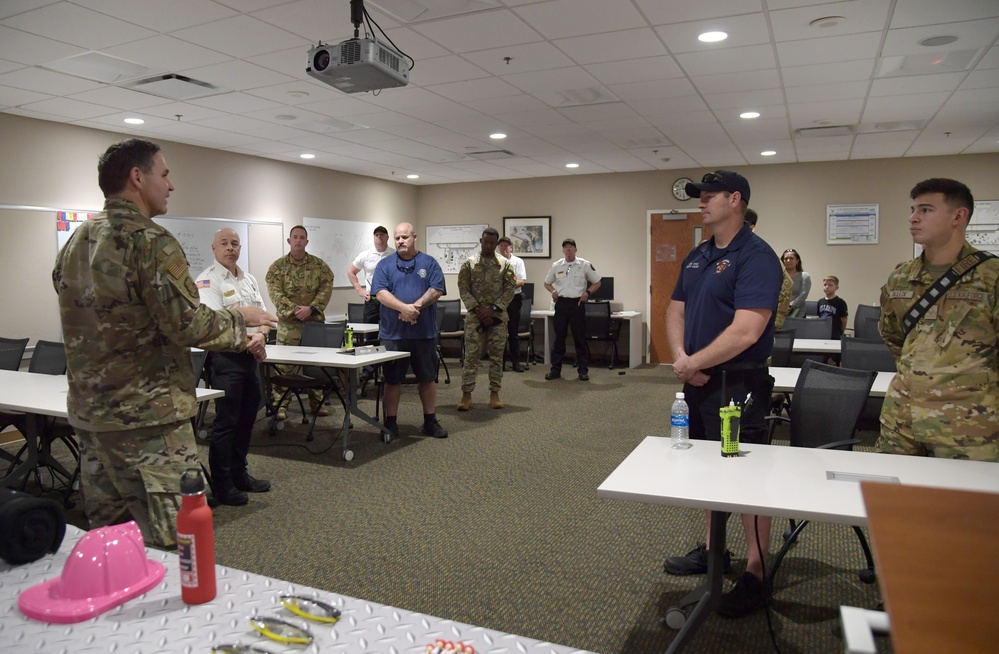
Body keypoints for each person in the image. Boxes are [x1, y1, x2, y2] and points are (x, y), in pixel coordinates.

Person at [52, 138, 277, 549]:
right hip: (147, 421)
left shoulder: (76, 241)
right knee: (175, 544)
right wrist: (238, 318)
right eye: (165, 174)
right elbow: (187, 324)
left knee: (112, 544)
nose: (171, 185)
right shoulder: (152, 242)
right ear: (138, 178)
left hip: (92, 417)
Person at [664, 170, 783, 618]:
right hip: (696, 382)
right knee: (704, 471)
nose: (702, 202)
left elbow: (747, 330)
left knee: (746, 479)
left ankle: (756, 572)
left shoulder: (757, 256)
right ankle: (715, 552)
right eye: (700, 196)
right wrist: (682, 357)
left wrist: (696, 362)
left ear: (736, 200)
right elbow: (676, 309)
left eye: (709, 196)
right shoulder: (698, 255)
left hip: (739, 385)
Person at [879, 178, 998, 462]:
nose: (913, 218)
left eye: (926, 210)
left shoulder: (991, 277)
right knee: (893, 499)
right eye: (913, 209)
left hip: (968, 423)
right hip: (902, 418)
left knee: (964, 504)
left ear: (959, 216)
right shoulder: (901, 276)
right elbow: (893, 335)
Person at [195, 228, 272, 506]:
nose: (230, 248)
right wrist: (252, 339)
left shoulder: (248, 279)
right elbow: (214, 323)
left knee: (247, 418)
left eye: (235, 243)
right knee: (226, 422)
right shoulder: (207, 281)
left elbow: (263, 316)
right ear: (214, 248)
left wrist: (261, 335)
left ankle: (241, 474)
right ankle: (223, 482)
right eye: (224, 244)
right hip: (225, 358)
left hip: (252, 356)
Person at [370, 223, 448, 439]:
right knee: (392, 380)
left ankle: (430, 421)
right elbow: (380, 293)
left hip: (423, 334)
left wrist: (415, 308)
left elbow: (437, 289)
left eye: (405, 237)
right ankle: (391, 423)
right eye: (397, 238)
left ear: (414, 237)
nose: (400, 241)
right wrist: (404, 308)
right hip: (393, 334)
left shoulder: (429, 263)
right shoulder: (385, 265)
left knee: (427, 378)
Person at [266, 226, 334, 420]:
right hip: (289, 325)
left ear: (306, 241)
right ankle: (281, 405)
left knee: (316, 365)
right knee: (285, 367)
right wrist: (297, 311)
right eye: (295, 237)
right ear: (289, 241)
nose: (298, 240)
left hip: (313, 323)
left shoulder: (319, 266)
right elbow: (275, 293)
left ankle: (317, 403)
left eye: (302, 237)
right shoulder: (277, 267)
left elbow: (326, 287)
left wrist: (311, 308)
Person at [456, 228, 517, 410]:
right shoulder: (469, 264)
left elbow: (510, 289)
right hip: (475, 317)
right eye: (486, 241)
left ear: (496, 244)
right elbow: (463, 288)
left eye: (492, 243)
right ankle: (467, 395)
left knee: (497, 357)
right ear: (480, 240)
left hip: (497, 317)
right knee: (471, 357)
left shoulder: (505, 265)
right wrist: (479, 310)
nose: (489, 245)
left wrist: (493, 309)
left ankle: (495, 393)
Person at [543, 238, 601, 381]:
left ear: (575, 250)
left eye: (571, 247)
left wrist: (587, 293)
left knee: (580, 339)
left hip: (577, 305)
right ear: (563, 251)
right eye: (565, 248)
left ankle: (583, 371)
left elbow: (597, 282)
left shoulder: (584, 264)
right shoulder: (557, 265)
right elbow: (547, 283)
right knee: (559, 339)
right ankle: (555, 370)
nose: (568, 250)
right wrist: (552, 291)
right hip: (562, 304)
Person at [745, 209, 792, 329]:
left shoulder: (760, 252)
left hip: (752, 325)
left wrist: (776, 322)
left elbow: (787, 285)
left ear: (751, 227)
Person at [347, 225, 393, 324]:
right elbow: (351, 271)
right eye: (377, 235)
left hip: (391, 299)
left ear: (387, 237)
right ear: (373, 237)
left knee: (391, 332)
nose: (379, 237)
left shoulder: (394, 255)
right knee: (369, 334)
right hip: (372, 301)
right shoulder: (365, 255)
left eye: (382, 234)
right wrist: (359, 290)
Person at [497, 236, 528, 372]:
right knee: (500, 332)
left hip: (514, 299)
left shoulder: (518, 261)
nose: (504, 248)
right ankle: (501, 363)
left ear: (511, 247)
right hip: (499, 300)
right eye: (501, 246)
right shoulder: (494, 261)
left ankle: (516, 362)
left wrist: (507, 285)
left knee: (513, 332)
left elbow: (521, 281)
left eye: (506, 245)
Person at [817, 275, 849, 340]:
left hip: (835, 333)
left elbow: (844, 319)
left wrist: (841, 332)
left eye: (830, 285)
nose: (827, 287)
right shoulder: (820, 301)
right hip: (822, 332)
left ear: (836, 288)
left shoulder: (840, 302)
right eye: (825, 285)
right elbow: (818, 317)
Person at [782, 248, 811, 317]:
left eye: (791, 258)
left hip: (798, 313)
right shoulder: (779, 276)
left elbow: (803, 294)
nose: (788, 260)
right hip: (780, 313)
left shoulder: (804, 276)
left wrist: (790, 306)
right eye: (786, 259)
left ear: (797, 261)